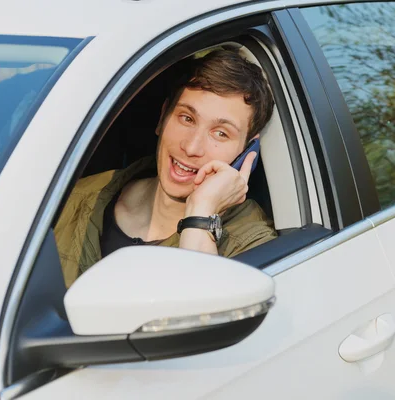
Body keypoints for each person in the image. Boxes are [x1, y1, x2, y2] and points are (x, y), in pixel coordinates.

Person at [55, 47, 277, 287]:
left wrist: (201, 215)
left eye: (220, 133)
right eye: (187, 118)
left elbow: (202, 316)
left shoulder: (252, 244)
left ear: (247, 152)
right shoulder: (72, 198)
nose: (192, 147)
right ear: (163, 117)